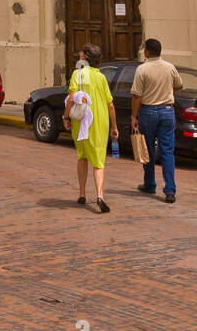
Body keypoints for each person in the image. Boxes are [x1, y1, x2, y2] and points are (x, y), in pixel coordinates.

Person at [63, 43, 118, 211]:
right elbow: (110, 105)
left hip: (81, 122)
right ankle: (100, 195)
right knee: (98, 161)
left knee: (82, 156)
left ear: (84, 58)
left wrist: (66, 116)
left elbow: (71, 99)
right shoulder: (101, 77)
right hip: (99, 122)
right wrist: (114, 126)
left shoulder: (78, 74)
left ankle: (82, 193)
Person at [131, 37, 183, 203]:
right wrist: (167, 90)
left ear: (146, 52)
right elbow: (179, 85)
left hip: (148, 112)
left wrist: (134, 116)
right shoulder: (169, 67)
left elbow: (136, 95)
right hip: (167, 111)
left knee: (148, 151)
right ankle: (170, 190)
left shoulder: (142, 69)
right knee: (167, 151)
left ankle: (150, 183)